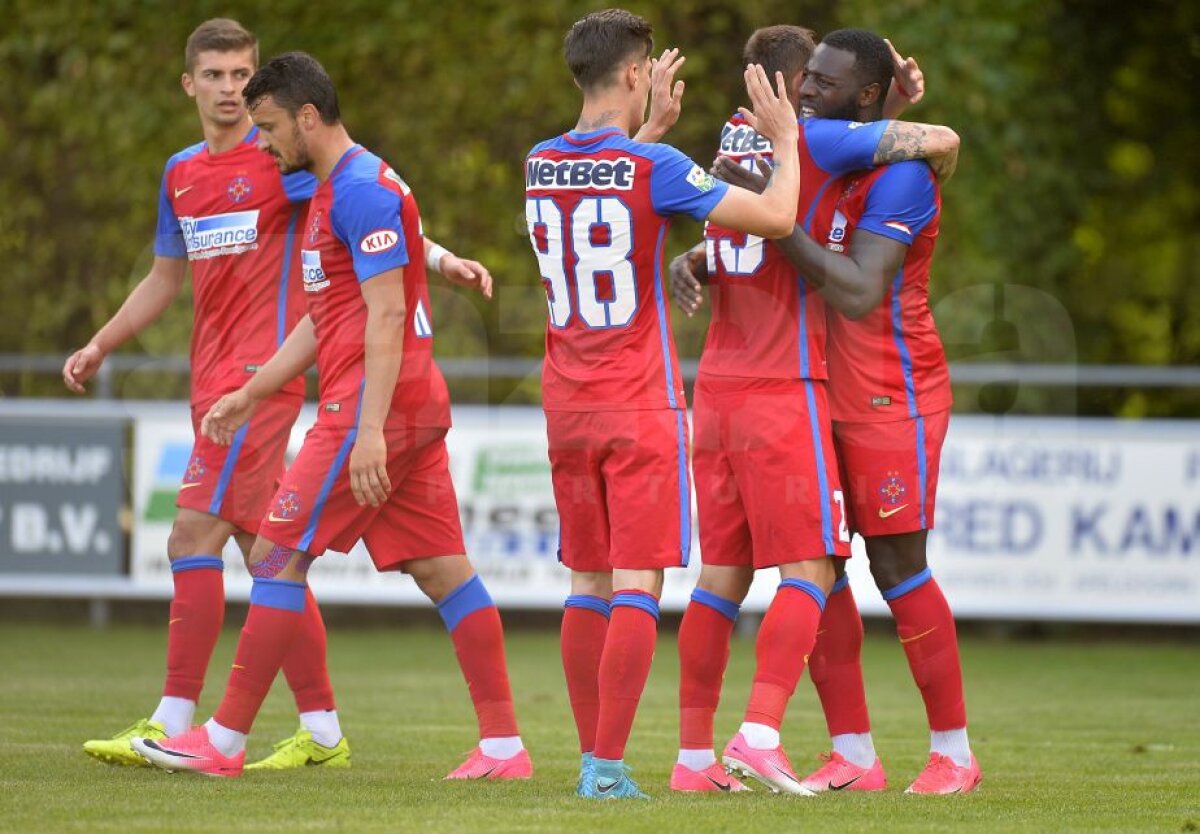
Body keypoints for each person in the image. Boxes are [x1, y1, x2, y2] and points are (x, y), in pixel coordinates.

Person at [66, 20, 493, 772]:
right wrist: (103, 341)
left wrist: (441, 255)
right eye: (218, 75)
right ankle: (323, 729)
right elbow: (165, 277)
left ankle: (177, 721)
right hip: (218, 385)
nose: (231, 89)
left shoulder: (286, 164)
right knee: (267, 552)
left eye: (243, 75)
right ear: (189, 84)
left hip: (265, 383)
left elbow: (370, 214)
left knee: (194, 535)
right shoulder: (182, 174)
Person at [667, 26, 961, 794]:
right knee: (822, 568)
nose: (806, 93)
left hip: (889, 394)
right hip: (809, 390)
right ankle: (855, 753)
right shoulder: (810, 149)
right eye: (807, 80)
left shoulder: (900, 178)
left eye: (824, 84)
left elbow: (860, 292)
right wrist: (704, 252)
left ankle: (953, 752)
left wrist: (766, 221)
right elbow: (765, 228)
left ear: (865, 99)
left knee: (898, 567)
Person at [525, 8, 804, 800]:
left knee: (586, 583)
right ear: (633, 74)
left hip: (565, 402)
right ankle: (605, 771)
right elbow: (777, 217)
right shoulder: (659, 168)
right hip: (636, 403)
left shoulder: (539, 162)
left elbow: (609, 182)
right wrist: (784, 140)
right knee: (636, 586)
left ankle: (591, 757)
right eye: (646, 68)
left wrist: (648, 130)